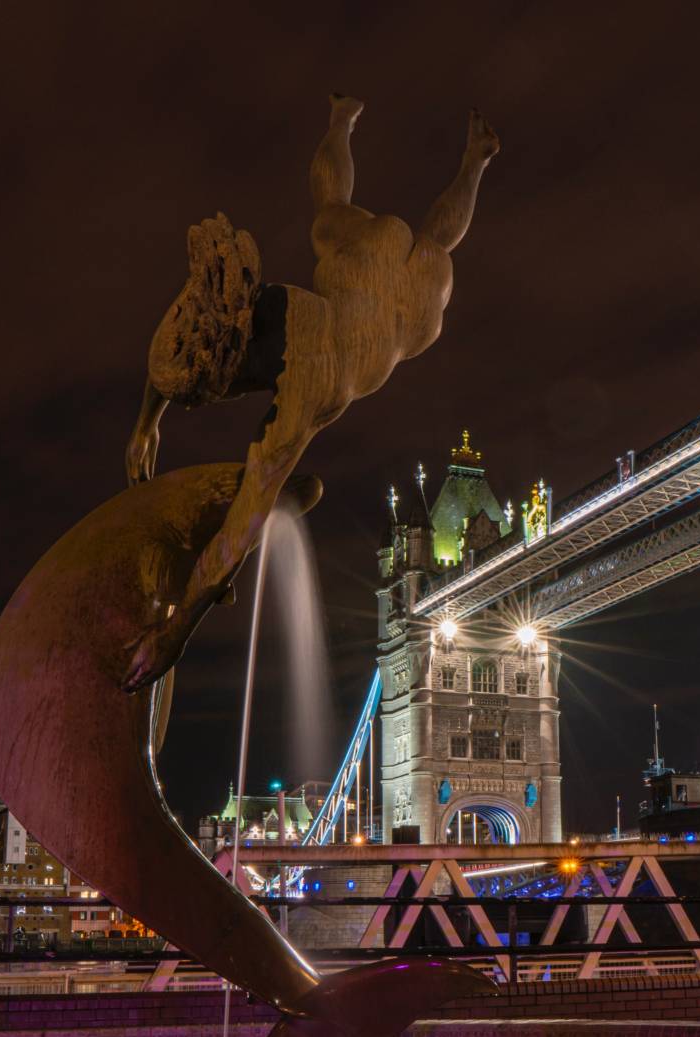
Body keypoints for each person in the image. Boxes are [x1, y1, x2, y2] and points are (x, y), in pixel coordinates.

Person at [127, 96, 500, 639]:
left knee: (433, 241)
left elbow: (247, 517)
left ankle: (463, 157)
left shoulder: (308, 390)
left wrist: (179, 624)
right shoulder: (271, 305)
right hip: (359, 270)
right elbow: (186, 342)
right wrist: (147, 421)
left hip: (409, 312)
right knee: (333, 207)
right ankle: (417, 141)